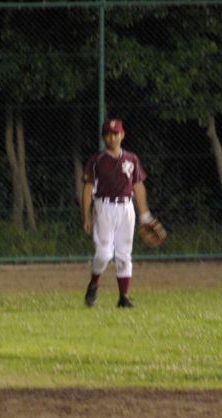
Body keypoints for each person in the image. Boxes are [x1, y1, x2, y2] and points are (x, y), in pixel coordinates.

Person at [81, 118, 151, 308]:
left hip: (126, 208)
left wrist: (145, 214)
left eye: (116, 133)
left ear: (122, 135)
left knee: (124, 254)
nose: (112, 138)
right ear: (103, 138)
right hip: (104, 207)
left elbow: (138, 186)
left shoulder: (131, 159)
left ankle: (123, 298)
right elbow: (87, 189)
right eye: (108, 134)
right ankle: (94, 283)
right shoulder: (97, 160)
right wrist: (86, 216)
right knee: (103, 254)